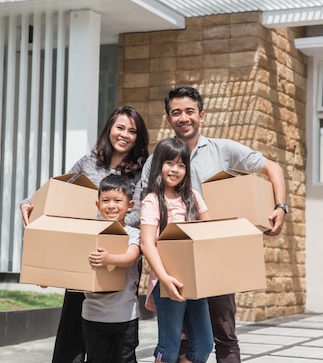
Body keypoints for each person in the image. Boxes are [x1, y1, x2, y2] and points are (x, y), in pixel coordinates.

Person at [141, 86, 288, 363]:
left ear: (201, 115)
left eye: (189, 111)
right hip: (177, 264)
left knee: (223, 335)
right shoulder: (155, 161)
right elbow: (142, 214)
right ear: (168, 118)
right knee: (181, 340)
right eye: (176, 113)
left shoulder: (223, 149)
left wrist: (280, 207)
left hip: (214, 258)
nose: (183, 117)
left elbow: (273, 168)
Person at [20, 106, 149, 363]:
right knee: (73, 326)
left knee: (116, 332)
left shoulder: (142, 169)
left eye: (132, 131)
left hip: (120, 253)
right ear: (109, 129)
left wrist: (109, 224)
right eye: (120, 127)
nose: (124, 135)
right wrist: (29, 201)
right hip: (83, 250)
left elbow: (142, 211)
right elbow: (60, 190)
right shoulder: (88, 161)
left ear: (138, 137)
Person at [140, 137, 214, 363]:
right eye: (170, 163)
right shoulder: (152, 201)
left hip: (194, 282)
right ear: (159, 165)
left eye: (181, 165)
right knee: (169, 347)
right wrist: (164, 278)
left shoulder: (192, 196)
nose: (175, 169)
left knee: (203, 345)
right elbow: (147, 243)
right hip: (166, 282)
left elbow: (210, 232)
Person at [83, 174, 142, 363]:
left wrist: (110, 258)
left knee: (125, 360)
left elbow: (130, 258)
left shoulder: (133, 234)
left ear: (130, 205)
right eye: (105, 200)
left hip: (125, 315)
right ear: (97, 204)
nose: (111, 205)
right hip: (93, 315)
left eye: (118, 200)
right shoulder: (90, 233)